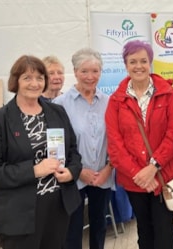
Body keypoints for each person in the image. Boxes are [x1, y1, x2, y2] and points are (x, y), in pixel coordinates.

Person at [0, 55, 82, 249]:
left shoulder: (57, 112)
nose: (35, 83)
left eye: (40, 78)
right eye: (27, 78)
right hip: (19, 214)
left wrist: (72, 172)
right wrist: (33, 171)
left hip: (58, 207)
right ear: (16, 81)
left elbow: (73, 151)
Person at [105, 40, 173, 249]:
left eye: (143, 61)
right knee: (145, 231)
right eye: (133, 61)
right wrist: (138, 173)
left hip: (163, 175)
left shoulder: (168, 93)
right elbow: (115, 145)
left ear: (150, 63)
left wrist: (153, 167)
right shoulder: (116, 101)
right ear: (126, 64)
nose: (138, 66)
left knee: (165, 230)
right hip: (135, 180)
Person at [53, 48, 115, 249]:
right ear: (75, 71)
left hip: (102, 176)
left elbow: (116, 140)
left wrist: (108, 169)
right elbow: (55, 147)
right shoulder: (60, 104)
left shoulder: (108, 102)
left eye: (95, 71)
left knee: (99, 226)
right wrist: (78, 172)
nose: (90, 77)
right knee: (72, 230)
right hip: (73, 178)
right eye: (84, 71)